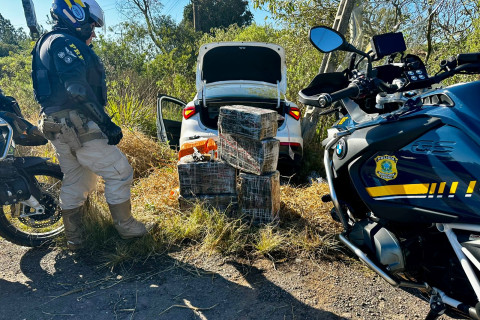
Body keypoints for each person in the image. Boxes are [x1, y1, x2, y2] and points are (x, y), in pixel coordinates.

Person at [31, 0, 148, 249]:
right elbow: (77, 89)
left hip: (56, 124)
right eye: (92, 24)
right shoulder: (63, 42)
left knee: (76, 179)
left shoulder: (46, 42)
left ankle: (76, 238)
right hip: (78, 123)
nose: (93, 30)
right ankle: (127, 228)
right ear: (75, 15)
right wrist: (106, 124)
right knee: (120, 172)